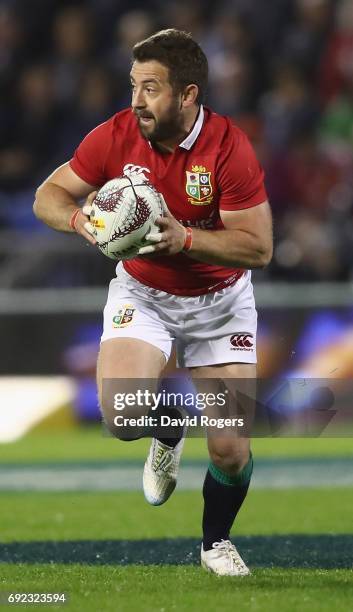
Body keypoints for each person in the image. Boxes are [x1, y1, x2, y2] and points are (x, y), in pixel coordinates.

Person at [33, 29, 273, 576]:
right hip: (143, 292)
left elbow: (258, 247)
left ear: (188, 95)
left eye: (150, 88)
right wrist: (81, 221)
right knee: (121, 414)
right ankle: (169, 428)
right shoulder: (115, 135)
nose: (136, 100)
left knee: (231, 453)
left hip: (220, 301)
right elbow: (48, 194)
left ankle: (215, 544)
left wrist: (185, 238)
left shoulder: (229, 147)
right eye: (133, 86)